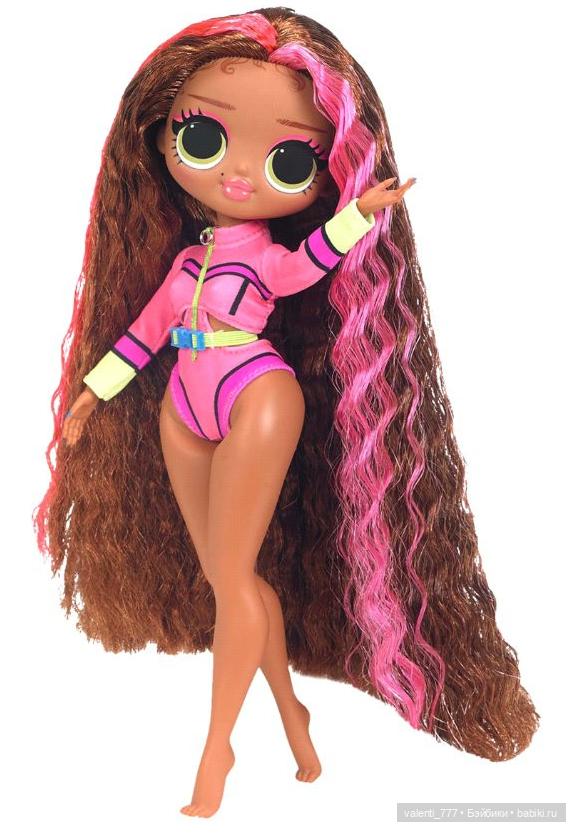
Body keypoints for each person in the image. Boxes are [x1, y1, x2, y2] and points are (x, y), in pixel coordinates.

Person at [33, 9, 539, 819]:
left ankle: (218, 748)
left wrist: (359, 213)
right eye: (205, 139)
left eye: (288, 158)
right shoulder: (188, 261)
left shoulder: (266, 257)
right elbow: (144, 334)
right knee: (229, 580)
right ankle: (294, 719)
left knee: (233, 580)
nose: (239, 175)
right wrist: (91, 394)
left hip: (254, 394)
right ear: (161, 136)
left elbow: (305, 267)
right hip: (182, 403)